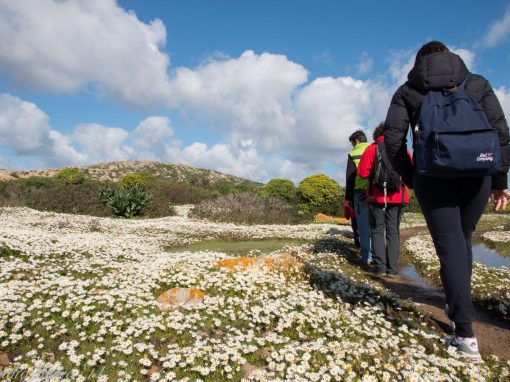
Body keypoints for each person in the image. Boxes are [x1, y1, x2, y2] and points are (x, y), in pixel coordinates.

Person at [384, 40, 510, 362]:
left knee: (451, 248)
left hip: (433, 178)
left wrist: (414, 178)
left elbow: (394, 142)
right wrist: (499, 181)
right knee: (462, 241)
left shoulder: (408, 90)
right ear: (449, 56)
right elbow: (500, 132)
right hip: (478, 175)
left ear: (419, 63)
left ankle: (465, 336)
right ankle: (459, 310)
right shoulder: (476, 82)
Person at [357, 123, 409, 277]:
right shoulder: (400, 148)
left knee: (377, 231)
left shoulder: (372, 149)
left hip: (376, 197)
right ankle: (392, 269)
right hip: (397, 197)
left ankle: (380, 268)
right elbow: (409, 170)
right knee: (393, 231)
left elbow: (362, 173)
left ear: (376, 135)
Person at [345, 130, 373, 264]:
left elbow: (350, 178)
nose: (352, 146)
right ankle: (379, 255)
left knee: (363, 225)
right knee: (376, 224)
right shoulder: (375, 149)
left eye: (352, 143)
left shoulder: (353, 153)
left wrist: (348, 198)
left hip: (360, 191)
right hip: (376, 190)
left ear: (356, 141)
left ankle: (367, 256)